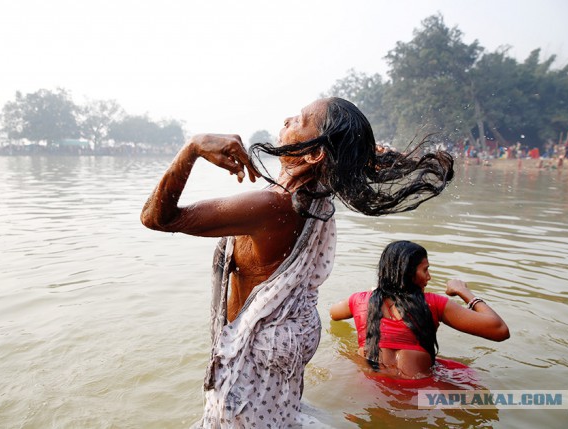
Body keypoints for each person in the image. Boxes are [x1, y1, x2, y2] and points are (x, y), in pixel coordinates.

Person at [140, 98, 454, 427]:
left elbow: (156, 218)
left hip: (247, 379)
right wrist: (374, 154)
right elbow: (357, 155)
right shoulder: (316, 194)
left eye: (300, 119)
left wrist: (192, 148)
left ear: (315, 153)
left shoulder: (272, 206)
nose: (288, 119)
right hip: (276, 373)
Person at [330, 240, 509, 379]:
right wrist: (464, 291)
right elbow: (499, 330)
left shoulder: (359, 300)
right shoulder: (433, 304)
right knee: (472, 377)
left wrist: (370, 295)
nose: (429, 277)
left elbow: (333, 313)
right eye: (425, 270)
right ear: (409, 274)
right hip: (420, 391)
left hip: (369, 388)